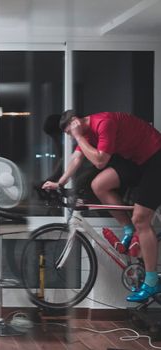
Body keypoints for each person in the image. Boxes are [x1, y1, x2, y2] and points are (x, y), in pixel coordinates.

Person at [42, 110, 161, 303]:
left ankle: (151, 281)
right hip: (137, 161)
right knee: (99, 185)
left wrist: (79, 136)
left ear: (75, 122)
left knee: (141, 219)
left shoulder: (104, 123)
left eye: (70, 133)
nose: (72, 138)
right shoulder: (86, 131)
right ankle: (128, 228)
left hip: (156, 158)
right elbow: (77, 159)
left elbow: (99, 161)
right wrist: (60, 183)